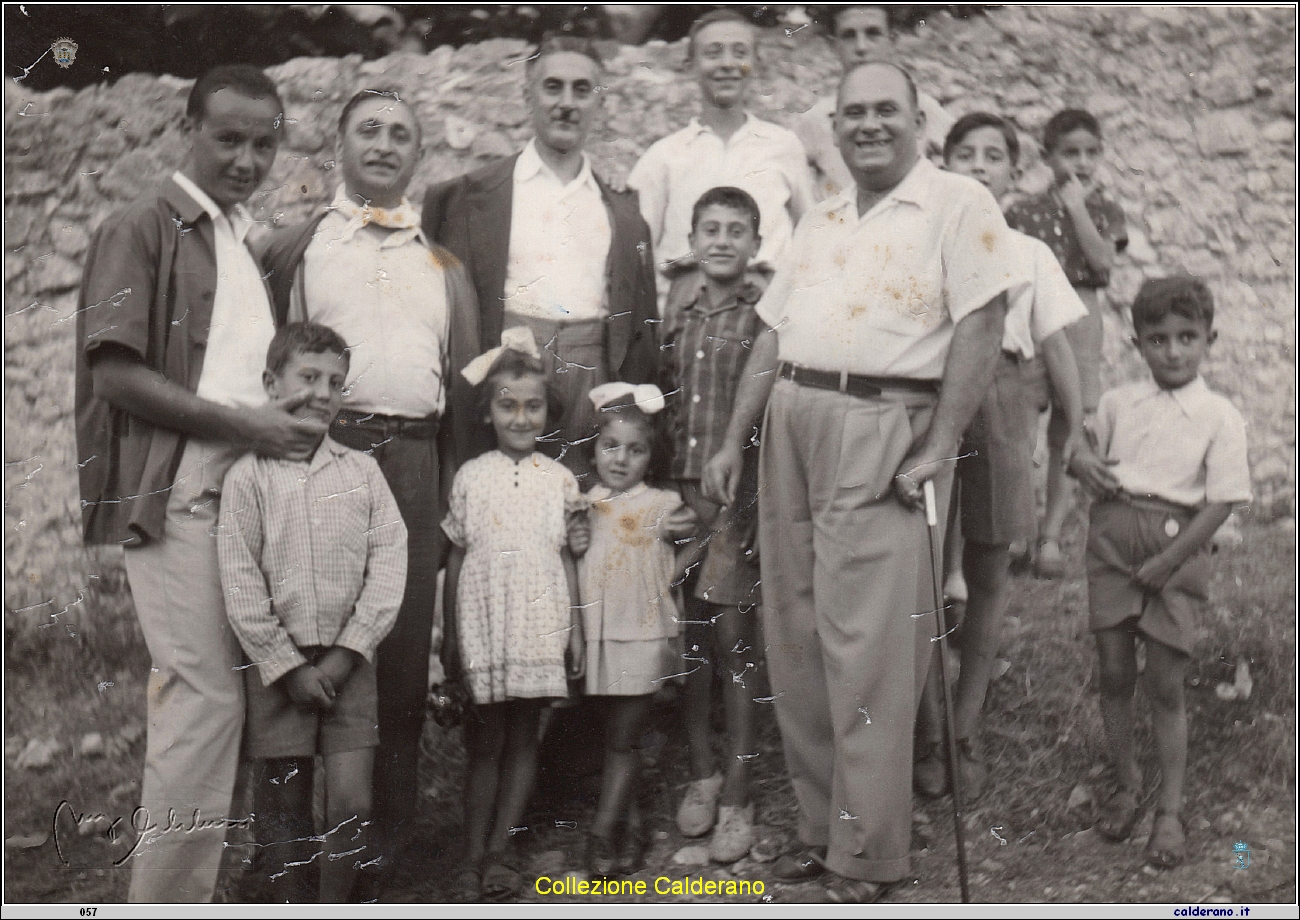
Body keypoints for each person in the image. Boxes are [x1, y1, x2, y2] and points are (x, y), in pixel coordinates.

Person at [702, 61, 1025, 902]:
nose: (869, 124)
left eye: (887, 110)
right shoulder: (827, 215)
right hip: (793, 422)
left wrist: (941, 442)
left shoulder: (959, 203)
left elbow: (982, 321)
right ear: (834, 128)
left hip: (886, 427)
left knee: (871, 646)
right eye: (853, 113)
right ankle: (821, 830)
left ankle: (871, 852)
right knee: (797, 633)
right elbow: (772, 335)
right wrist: (737, 437)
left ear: (920, 119)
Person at [72, 64, 322, 903]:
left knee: (225, 697)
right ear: (187, 129)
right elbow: (114, 377)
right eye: (229, 139)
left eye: (264, 142)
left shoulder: (235, 237)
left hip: (241, 482)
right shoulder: (140, 225)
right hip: (179, 483)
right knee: (205, 698)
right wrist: (250, 426)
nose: (248, 158)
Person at [257, 88, 480, 870]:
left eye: (401, 135)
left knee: (399, 640)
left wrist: (450, 483)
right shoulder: (300, 246)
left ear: (419, 155)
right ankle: (281, 850)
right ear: (339, 148)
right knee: (303, 630)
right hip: (326, 452)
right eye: (369, 131)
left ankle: (380, 847)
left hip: (414, 459)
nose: (385, 145)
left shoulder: (442, 260)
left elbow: (459, 383)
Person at [912, 113, 1094, 801]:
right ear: (944, 162)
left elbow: (1055, 345)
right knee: (923, 568)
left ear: (1015, 176)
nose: (981, 165)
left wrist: (1074, 424)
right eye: (967, 153)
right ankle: (927, 728)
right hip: (930, 398)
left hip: (1006, 397)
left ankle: (966, 720)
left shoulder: (1029, 252)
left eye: (995, 156)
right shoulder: (920, 242)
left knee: (989, 565)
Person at [217, 323, 408, 903]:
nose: (324, 393)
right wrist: (284, 664)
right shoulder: (247, 476)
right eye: (309, 378)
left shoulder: (361, 471)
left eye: (335, 382)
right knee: (283, 809)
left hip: (349, 664)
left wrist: (352, 650)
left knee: (352, 801)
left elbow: (390, 561)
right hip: (281, 670)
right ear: (272, 384)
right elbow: (240, 579)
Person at [423, 34, 659, 485]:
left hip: (590, 374)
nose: (567, 103)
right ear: (527, 95)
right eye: (553, 87)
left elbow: (642, 333)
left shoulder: (623, 213)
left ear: (599, 102)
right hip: (507, 374)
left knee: (580, 513)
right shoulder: (469, 196)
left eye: (582, 90)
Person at [1072, 277, 1250, 869]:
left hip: (1176, 551)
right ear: (1136, 343)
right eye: (1157, 339)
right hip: (1113, 544)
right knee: (1115, 671)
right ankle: (1127, 784)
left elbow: (1221, 502)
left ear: (1209, 340)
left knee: (1165, 683)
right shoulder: (1120, 403)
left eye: (1186, 338)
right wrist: (1080, 462)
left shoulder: (1220, 415)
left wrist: (1170, 563)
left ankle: (1169, 809)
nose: (1172, 351)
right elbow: (1085, 452)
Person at [441, 329, 588, 901]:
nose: (521, 418)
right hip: (484, 619)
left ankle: (501, 849)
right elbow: (457, 555)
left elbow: (566, 560)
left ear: (548, 411)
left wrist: (573, 629)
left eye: (533, 406)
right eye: (508, 405)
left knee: (526, 735)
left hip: (538, 617)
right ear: (489, 411)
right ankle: (470, 852)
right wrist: (452, 632)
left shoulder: (561, 480)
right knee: (485, 741)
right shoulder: (471, 477)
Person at [658, 187, 769, 861]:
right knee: (690, 648)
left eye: (737, 230)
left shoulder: (762, 321)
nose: (722, 240)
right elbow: (669, 414)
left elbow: (766, 424)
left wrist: (754, 504)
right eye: (710, 229)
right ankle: (700, 772)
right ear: (693, 240)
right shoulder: (681, 316)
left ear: (756, 245)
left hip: (734, 507)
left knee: (735, 647)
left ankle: (738, 789)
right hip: (682, 501)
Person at [577, 382, 696, 876]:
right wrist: (573, 538)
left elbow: (701, 537)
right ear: (595, 450)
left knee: (624, 737)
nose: (621, 459)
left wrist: (671, 573)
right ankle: (628, 817)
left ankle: (603, 835)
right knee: (601, 735)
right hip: (596, 634)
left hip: (643, 632)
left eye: (635, 449)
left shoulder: (662, 505)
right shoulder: (584, 503)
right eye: (610, 447)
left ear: (651, 456)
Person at [1006, 108, 1129, 578]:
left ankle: (1051, 537)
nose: (1081, 161)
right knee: (1018, 429)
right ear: (1046, 155)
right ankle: (1017, 532)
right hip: (1031, 315)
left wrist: (1078, 207)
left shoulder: (1105, 209)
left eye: (1091, 152)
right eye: (1070, 152)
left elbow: (1103, 264)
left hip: (1080, 315)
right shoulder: (1022, 211)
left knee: (1069, 430)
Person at [627, 9, 815, 301]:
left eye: (739, 52)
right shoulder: (664, 156)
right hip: (686, 317)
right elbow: (638, 250)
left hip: (766, 311)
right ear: (691, 65)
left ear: (756, 62)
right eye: (713, 53)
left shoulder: (783, 146)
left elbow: (811, 234)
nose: (728, 64)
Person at [794, 5, 955, 201]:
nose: (861, 47)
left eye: (873, 34)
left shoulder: (921, 108)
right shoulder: (817, 120)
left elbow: (966, 155)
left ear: (892, 39)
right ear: (833, 45)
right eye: (849, 36)